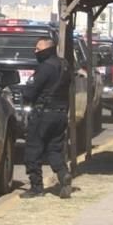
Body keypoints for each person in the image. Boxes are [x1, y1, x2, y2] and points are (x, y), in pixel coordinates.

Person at [21, 38, 73, 199]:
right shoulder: (65, 66)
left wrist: (26, 97)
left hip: (43, 115)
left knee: (33, 150)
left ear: (47, 49)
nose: (35, 52)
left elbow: (31, 92)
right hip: (60, 114)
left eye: (37, 49)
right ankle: (63, 174)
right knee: (54, 149)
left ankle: (36, 187)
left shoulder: (45, 68)